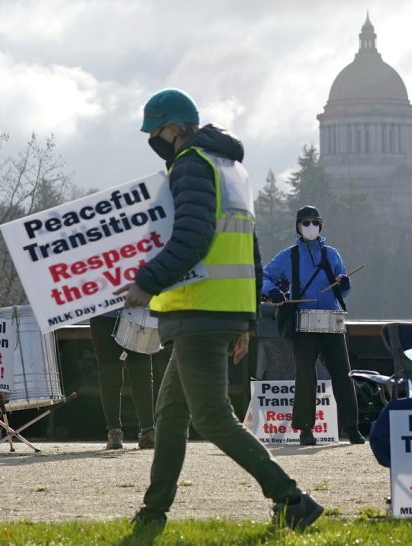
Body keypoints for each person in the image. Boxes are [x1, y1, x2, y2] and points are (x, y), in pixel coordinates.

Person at [117, 88, 323, 532]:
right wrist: (247, 320)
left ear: (171, 127)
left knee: (212, 417)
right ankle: (153, 513)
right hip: (219, 311)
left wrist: (144, 283)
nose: (153, 138)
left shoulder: (190, 164)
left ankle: (292, 499)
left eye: (155, 131)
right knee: (170, 415)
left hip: (198, 310)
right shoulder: (230, 169)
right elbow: (249, 250)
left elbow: (190, 238)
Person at [261, 206, 365, 446]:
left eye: (314, 222)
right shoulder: (289, 255)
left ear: (320, 225)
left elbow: (343, 289)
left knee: (343, 375)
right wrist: (273, 291)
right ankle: (305, 431)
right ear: (298, 227)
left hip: (332, 321)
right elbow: (265, 277)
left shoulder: (332, 254)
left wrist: (344, 283)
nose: (310, 226)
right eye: (305, 222)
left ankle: (352, 428)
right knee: (306, 377)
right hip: (303, 322)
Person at [89, 310, 156, 450]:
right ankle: (148, 431)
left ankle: (114, 433)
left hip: (105, 314)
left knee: (110, 377)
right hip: (138, 313)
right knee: (142, 376)